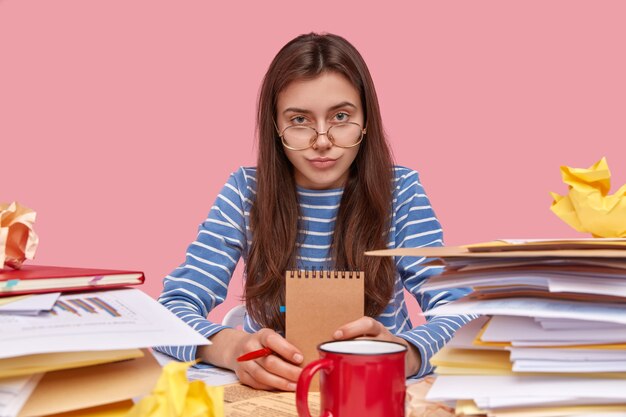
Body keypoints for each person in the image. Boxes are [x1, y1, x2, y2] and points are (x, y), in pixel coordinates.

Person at [155, 32, 473, 391]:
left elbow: (462, 313)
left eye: (340, 116)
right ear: (276, 127)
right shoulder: (246, 192)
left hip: (377, 394)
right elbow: (166, 313)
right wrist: (231, 349)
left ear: (366, 120)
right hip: (270, 396)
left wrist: (405, 353)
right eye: (300, 120)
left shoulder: (401, 192)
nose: (323, 140)